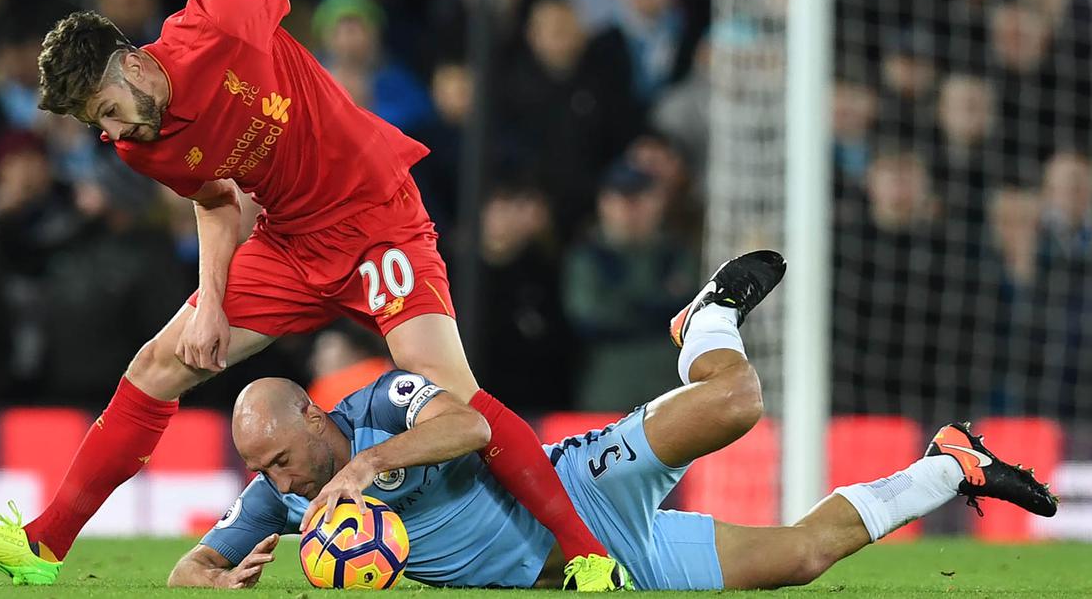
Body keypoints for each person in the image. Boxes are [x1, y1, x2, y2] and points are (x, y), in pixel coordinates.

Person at [0, 0, 624, 589]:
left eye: (107, 113)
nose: (110, 135)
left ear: (135, 66)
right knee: (156, 367)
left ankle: (587, 556)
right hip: (289, 243)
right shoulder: (140, 146)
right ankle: (44, 545)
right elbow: (214, 200)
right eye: (96, 126)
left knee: (454, 398)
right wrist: (210, 300)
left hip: (373, 220)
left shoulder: (218, 22)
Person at [166, 251, 1058, 590]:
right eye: (266, 471)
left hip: (573, 488)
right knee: (800, 558)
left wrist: (367, 469)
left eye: (283, 459)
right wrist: (209, 580)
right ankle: (949, 465)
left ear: (314, 420)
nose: (280, 482)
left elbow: (470, 427)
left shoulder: (373, 408)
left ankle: (701, 323)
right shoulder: (279, 500)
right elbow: (187, 567)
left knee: (734, 402)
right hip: (596, 571)